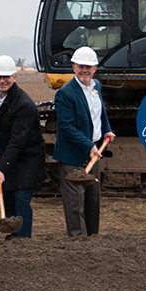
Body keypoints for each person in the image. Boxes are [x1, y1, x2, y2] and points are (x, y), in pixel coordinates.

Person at [53, 46, 115, 237]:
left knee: (92, 201)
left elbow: (100, 113)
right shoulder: (65, 93)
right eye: (81, 66)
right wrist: (89, 146)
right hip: (72, 156)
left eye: (88, 67)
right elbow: (67, 127)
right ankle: (78, 244)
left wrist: (107, 129)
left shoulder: (96, 86)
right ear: (73, 67)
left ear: (95, 68)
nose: (84, 70)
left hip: (93, 155)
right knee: (75, 203)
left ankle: (92, 240)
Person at [0, 55, 47, 238]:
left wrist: (2, 168)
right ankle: (12, 236)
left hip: (28, 157)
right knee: (8, 196)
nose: (2, 81)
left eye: (6, 77)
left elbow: (17, 141)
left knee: (21, 199)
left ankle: (24, 239)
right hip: (10, 155)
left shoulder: (23, 105)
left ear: (14, 77)